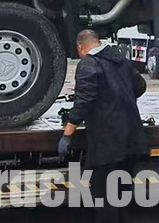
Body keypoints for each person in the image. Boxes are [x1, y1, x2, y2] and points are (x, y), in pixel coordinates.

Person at [58, 29, 148, 223]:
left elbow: (84, 102)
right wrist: (119, 97)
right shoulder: (121, 59)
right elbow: (140, 86)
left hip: (108, 144)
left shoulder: (88, 64)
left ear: (80, 46)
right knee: (122, 196)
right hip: (131, 139)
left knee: (105, 198)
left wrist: (67, 135)